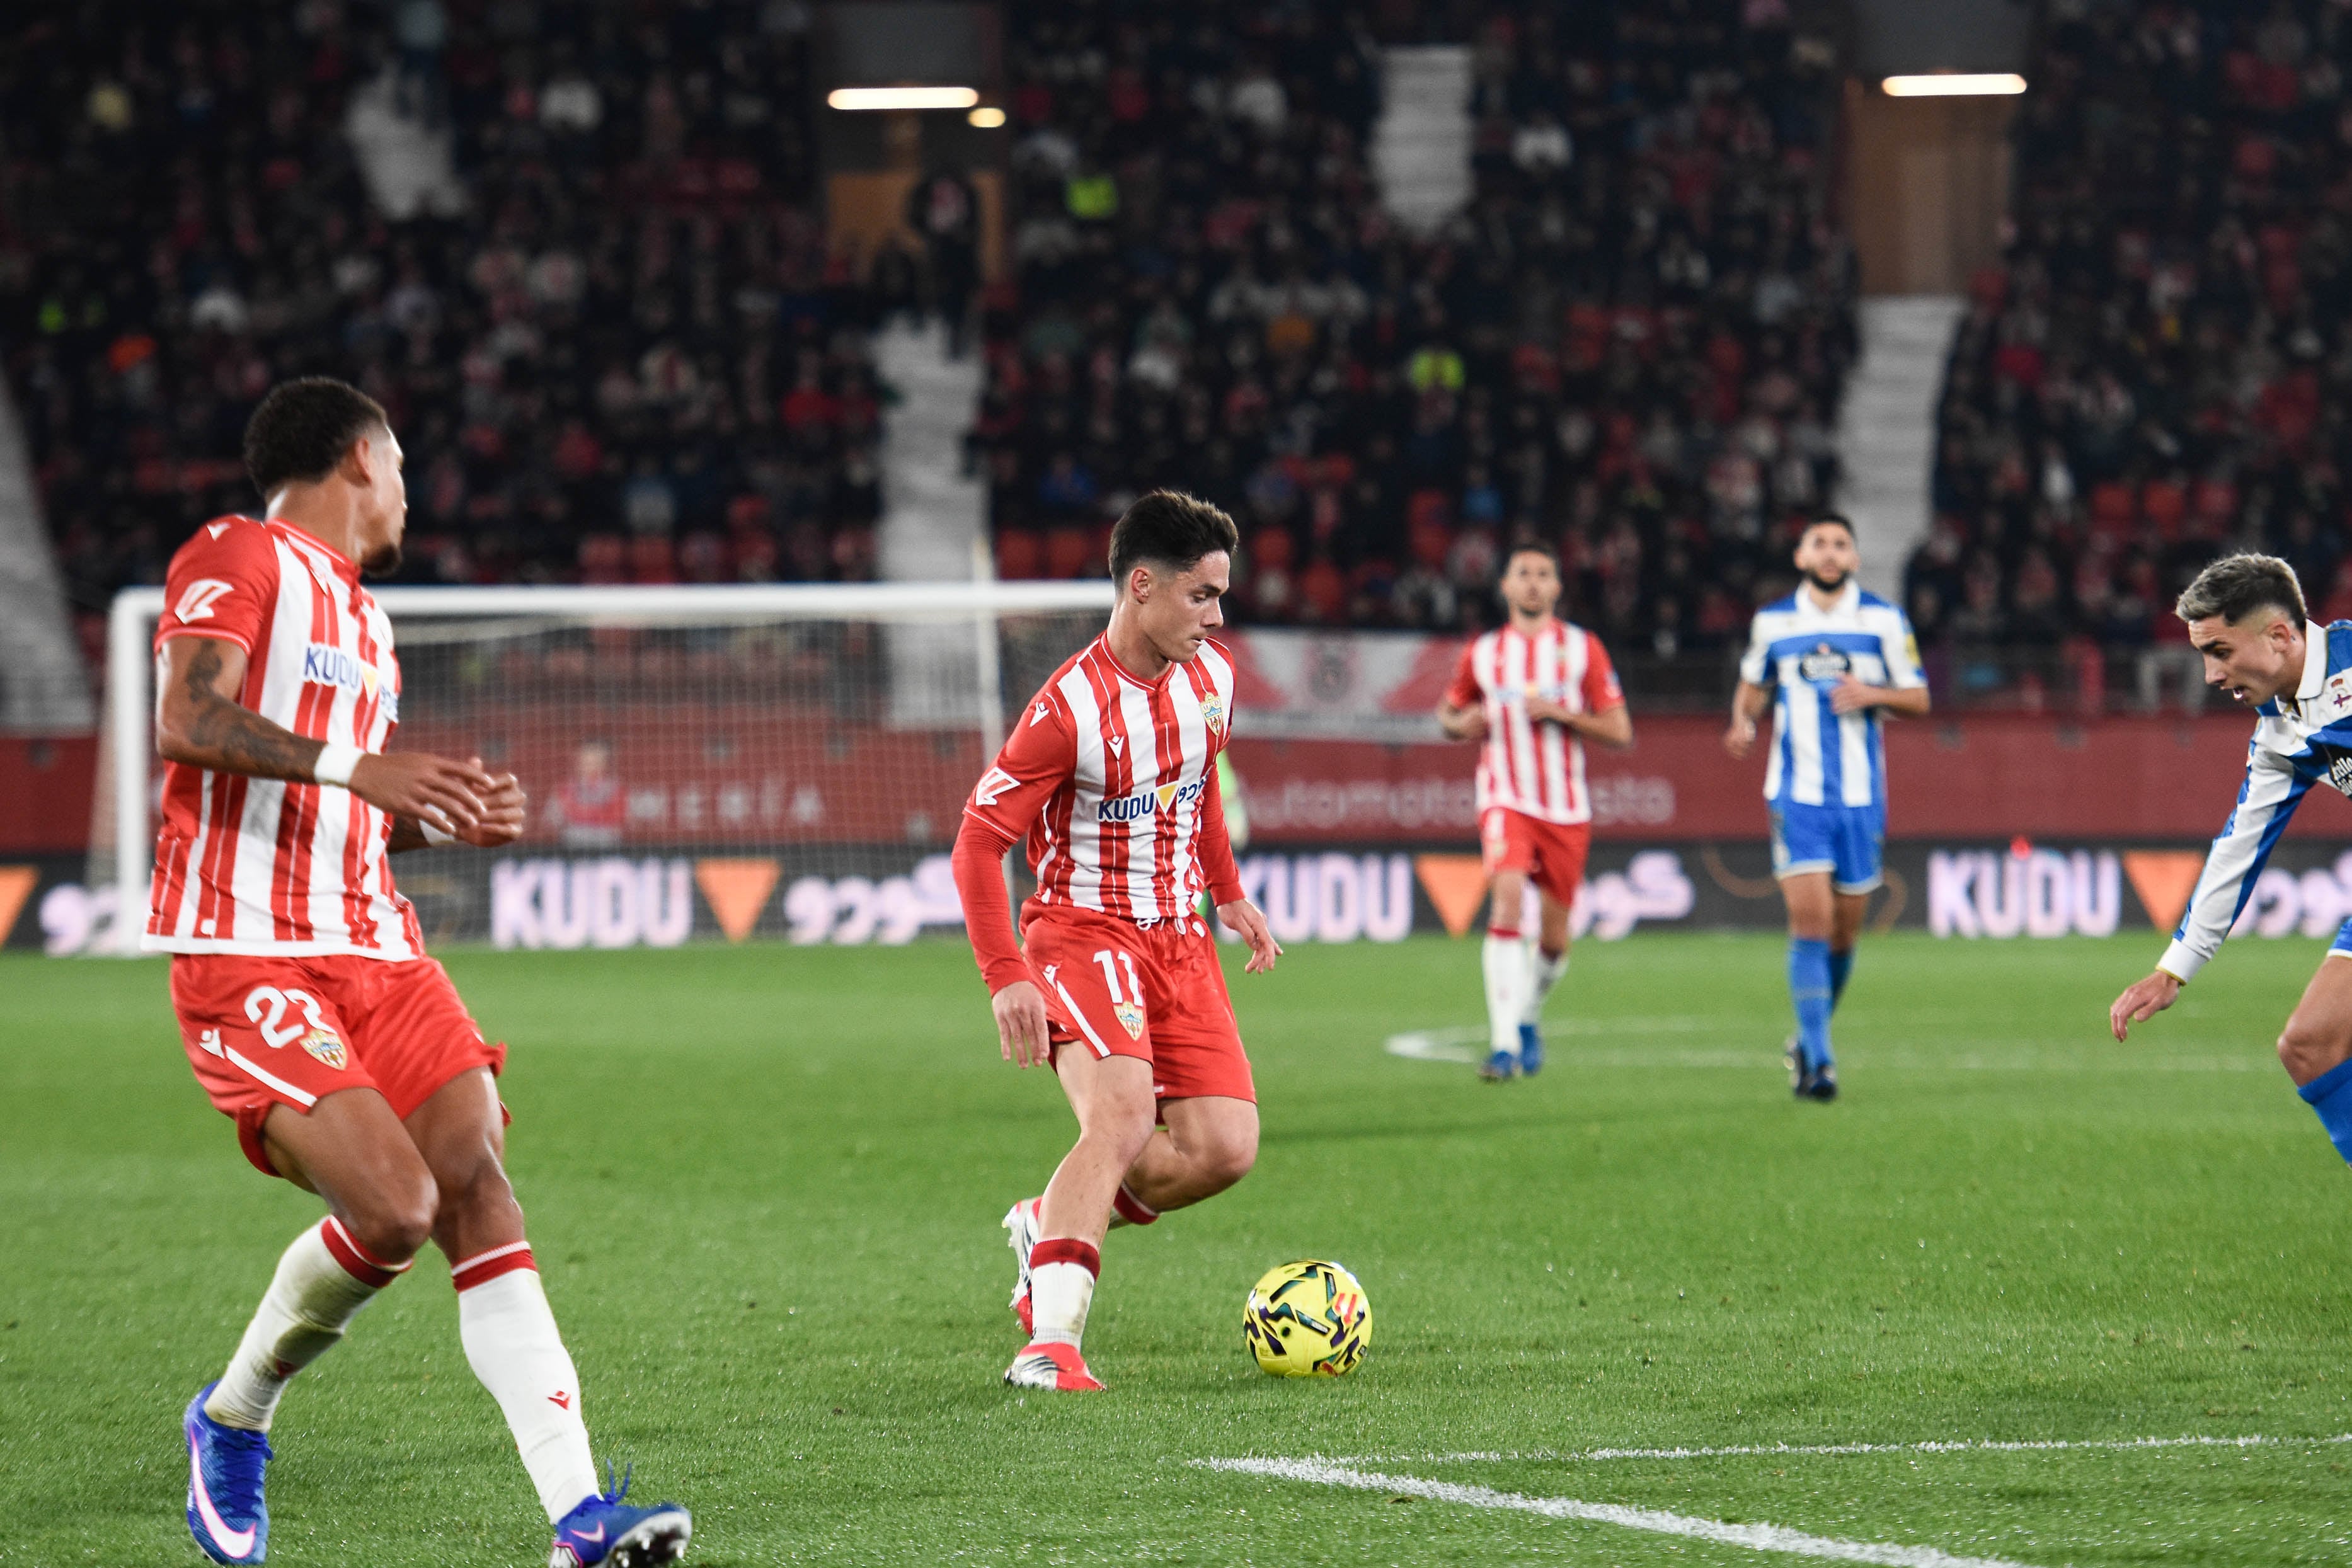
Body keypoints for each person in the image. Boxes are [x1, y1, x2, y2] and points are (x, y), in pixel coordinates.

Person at [152, 379, 689, 1567]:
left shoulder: (368, 622)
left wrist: (433, 815)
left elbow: (339, 815)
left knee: (476, 1176)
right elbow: (187, 717)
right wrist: (362, 766)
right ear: (357, 457)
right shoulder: (236, 551)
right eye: (398, 466)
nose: (408, 490)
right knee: (391, 1207)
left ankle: (579, 1513)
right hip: (249, 951)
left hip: (378, 946)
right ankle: (232, 1414)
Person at [949, 490, 1282, 1392]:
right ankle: (1049, 1343)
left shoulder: (1211, 679)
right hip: (1082, 932)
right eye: (1201, 596)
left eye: (1220, 597)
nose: (1215, 619)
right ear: (1143, 586)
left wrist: (1228, 892)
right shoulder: (1068, 709)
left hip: (1180, 939)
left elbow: (1198, 786)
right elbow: (978, 843)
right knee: (1126, 1113)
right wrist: (1005, 976)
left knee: (1224, 1148)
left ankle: (1047, 1221)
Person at [2110, 554, 2352, 1170]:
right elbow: (2238, 846)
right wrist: (2173, 969)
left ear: (2279, 634)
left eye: (2219, 649)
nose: (2211, 674)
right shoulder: (2278, 729)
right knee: (2309, 1044)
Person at [1724, 515, 1929, 1101]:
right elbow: (1752, 682)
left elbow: (1918, 697)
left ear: (1854, 559)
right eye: (1820, 543)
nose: (1830, 552)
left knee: (1844, 935)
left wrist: (1875, 694)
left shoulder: (1884, 621)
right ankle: (1821, 1060)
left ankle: (1806, 1038)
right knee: (1809, 922)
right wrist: (1742, 719)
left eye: (1841, 544)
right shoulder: (1773, 622)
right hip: (1797, 794)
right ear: (1800, 556)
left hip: (1861, 799)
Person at [1436, 542, 1632, 1080]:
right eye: (1522, 573)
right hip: (1505, 796)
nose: (1531, 583)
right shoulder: (1483, 652)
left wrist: (1564, 714)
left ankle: (1526, 1015)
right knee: (1505, 903)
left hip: (1566, 807)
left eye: (1542, 574)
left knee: (1553, 940)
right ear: (1504, 585)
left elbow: (1619, 729)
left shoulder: (1581, 649)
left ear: (1556, 587)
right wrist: (1462, 725)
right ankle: (1502, 1046)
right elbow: (1448, 714)